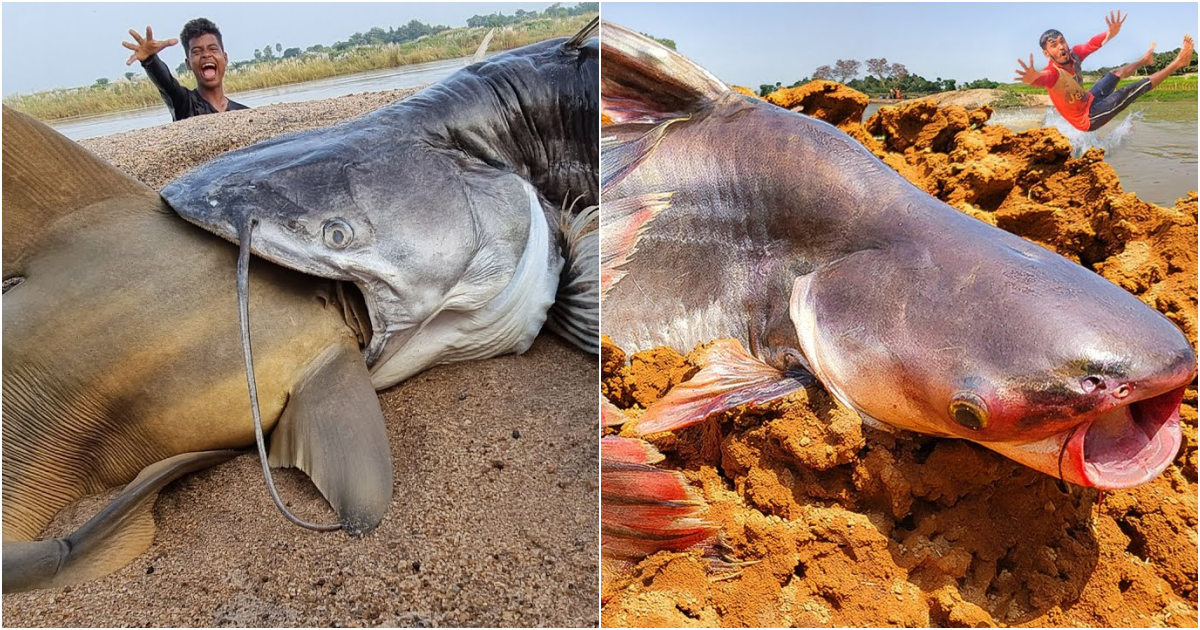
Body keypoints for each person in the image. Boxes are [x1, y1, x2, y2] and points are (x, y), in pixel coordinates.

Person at [1015, 10, 1193, 132]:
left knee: (1114, 73)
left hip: (1089, 99)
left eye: (1062, 41)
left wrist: (1110, 33)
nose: (1061, 47)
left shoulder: (1074, 54)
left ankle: (1145, 60)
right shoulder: (1053, 74)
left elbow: (1092, 44)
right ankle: (1178, 63)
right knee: (1128, 90)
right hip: (1087, 119)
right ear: (1047, 53)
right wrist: (1032, 78)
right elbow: (1042, 79)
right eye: (1054, 46)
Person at [122, 18, 248, 121]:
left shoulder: (244, 113)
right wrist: (150, 60)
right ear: (188, 64)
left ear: (225, 58)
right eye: (197, 52)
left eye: (213, 49)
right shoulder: (184, 104)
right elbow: (167, 85)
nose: (206, 55)